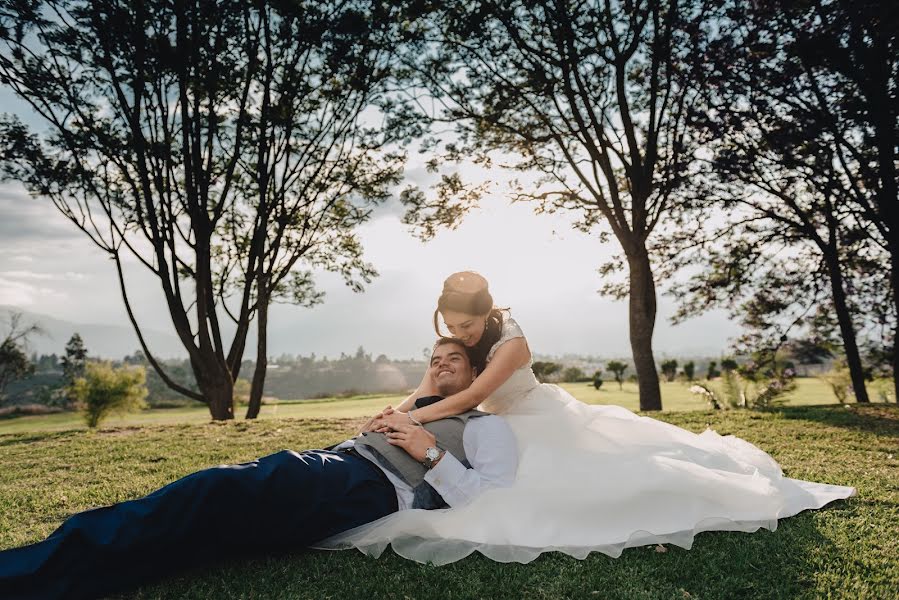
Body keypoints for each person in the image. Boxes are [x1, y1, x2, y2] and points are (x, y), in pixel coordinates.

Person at [318, 271, 856, 565]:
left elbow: (468, 397)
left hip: (534, 419)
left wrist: (417, 419)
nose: (460, 334)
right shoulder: (453, 341)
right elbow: (430, 388)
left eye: (468, 325)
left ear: (489, 314)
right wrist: (391, 413)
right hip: (490, 431)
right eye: (451, 325)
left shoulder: (511, 342)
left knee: (598, 488)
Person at [0, 338, 518, 600]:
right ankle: (52, 577)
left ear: (478, 372)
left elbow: (493, 498)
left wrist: (430, 452)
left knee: (216, 490)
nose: (442, 362)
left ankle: (24, 571)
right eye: (435, 357)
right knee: (207, 529)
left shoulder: (483, 426)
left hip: (366, 487)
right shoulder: (412, 407)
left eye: (455, 358)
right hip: (337, 466)